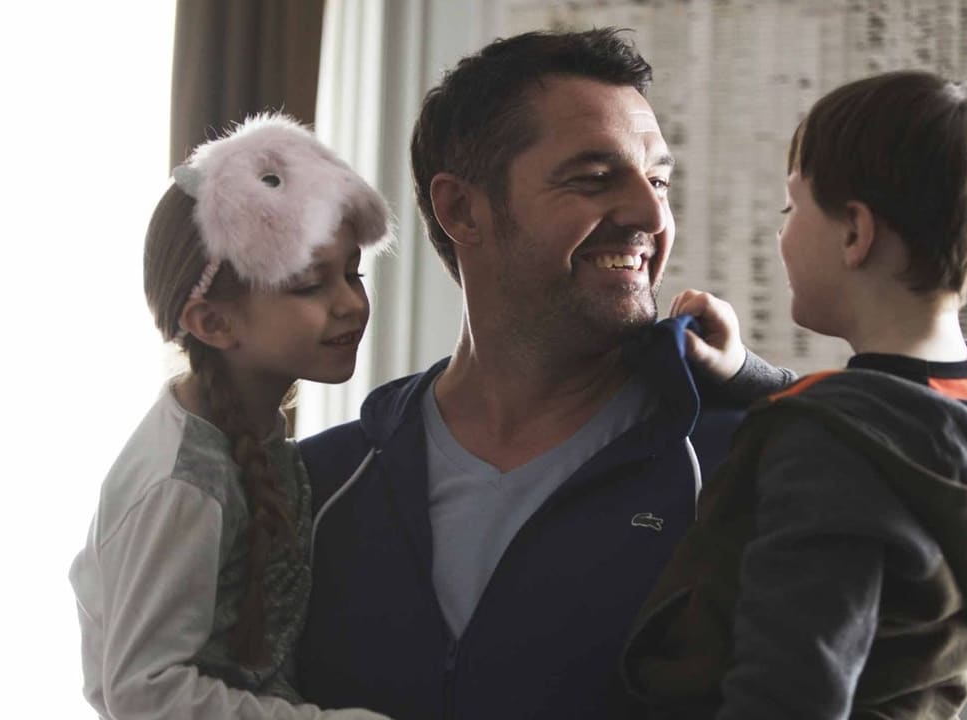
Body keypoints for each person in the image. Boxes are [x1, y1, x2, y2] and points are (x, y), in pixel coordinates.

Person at [295, 28, 792, 720]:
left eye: (658, 180)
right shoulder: (313, 490)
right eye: (593, 178)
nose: (651, 214)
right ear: (462, 209)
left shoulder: (748, 464)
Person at [622, 70, 967, 719]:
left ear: (854, 235)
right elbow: (877, 428)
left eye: (792, 208)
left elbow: (789, 697)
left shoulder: (830, 448)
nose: (782, 233)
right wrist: (744, 373)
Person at [69, 114, 395, 719]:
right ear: (213, 322)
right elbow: (145, 693)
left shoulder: (249, 436)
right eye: (309, 285)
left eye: (354, 273)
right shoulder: (184, 485)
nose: (352, 303)